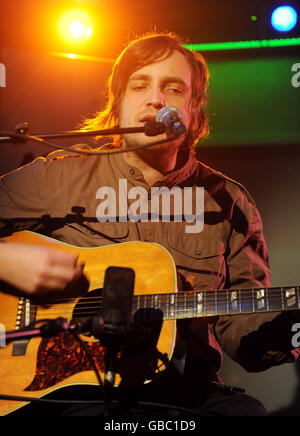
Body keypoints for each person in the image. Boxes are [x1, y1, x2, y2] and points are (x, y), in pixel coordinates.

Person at [0, 32, 299, 417]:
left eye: (173, 89)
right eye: (140, 85)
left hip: (183, 391)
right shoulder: (55, 178)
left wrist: (289, 329)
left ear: (193, 111)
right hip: (70, 391)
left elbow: (243, 336)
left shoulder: (230, 202)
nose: (156, 99)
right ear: (118, 103)